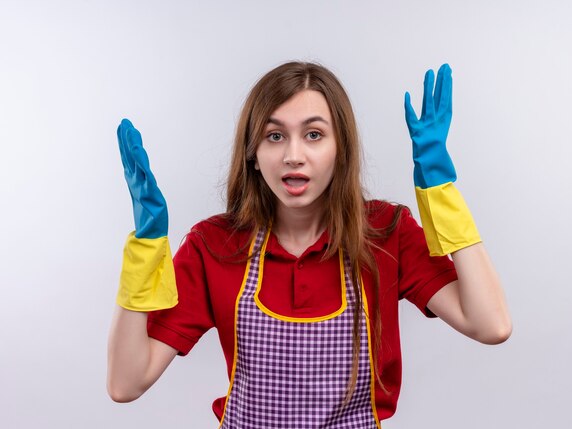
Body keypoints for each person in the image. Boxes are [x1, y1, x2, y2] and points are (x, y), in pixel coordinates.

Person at [107, 61, 511, 428]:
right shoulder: (214, 246)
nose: (293, 156)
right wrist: (146, 246)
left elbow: (491, 324)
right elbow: (126, 383)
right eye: (275, 135)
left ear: (341, 149)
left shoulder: (386, 233)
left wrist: (439, 188)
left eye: (314, 134)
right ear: (253, 152)